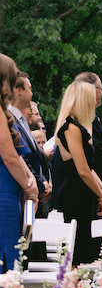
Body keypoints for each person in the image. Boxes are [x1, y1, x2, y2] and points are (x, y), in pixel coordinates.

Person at [54, 81, 102, 265]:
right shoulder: (71, 128)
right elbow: (83, 170)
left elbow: (89, 167)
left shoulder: (80, 128)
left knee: (85, 252)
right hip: (75, 195)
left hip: (83, 194)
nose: (95, 100)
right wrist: (100, 193)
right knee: (77, 253)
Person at [0, 54, 38, 273]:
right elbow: (9, 155)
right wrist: (28, 185)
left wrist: (29, 177)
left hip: (12, 193)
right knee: (8, 254)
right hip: (4, 193)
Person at [74, 72, 102, 219]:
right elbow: (92, 161)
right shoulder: (80, 123)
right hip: (88, 191)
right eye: (100, 89)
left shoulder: (91, 118)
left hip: (98, 189)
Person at [8, 72, 50, 205]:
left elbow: (35, 156)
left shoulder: (22, 120)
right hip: (22, 192)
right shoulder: (9, 119)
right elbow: (22, 156)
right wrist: (39, 185)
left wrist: (44, 183)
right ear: (19, 91)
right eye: (30, 88)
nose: (32, 93)